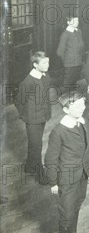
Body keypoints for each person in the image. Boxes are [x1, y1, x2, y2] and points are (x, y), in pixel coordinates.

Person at [44, 92, 89, 233]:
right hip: (66, 178)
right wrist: (53, 181)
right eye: (77, 106)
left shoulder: (83, 122)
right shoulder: (59, 131)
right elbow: (50, 159)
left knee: (77, 204)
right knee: (66, 212)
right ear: (66, 109)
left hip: (82, 173)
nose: (82, 108)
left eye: (83, 104)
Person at [15, 51, 53, 184]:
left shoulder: (45, 76)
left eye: (48, 62)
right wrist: (26, 116)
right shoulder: (28, 81)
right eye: (44, 63)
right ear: (35, 65)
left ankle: (30, 166)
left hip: (41, 116)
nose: (47, 65)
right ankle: (40, 174)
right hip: (32, 119)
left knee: (35, 144)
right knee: (36, 146)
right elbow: (19, 101)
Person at [56, 15, 85, 94]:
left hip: (78, 62)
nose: (77, 22)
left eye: (77, 20)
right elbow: (59, 52)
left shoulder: (79, 31)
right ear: (68, 23)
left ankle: (73, 99)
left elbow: (81, 46)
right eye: (74, 21)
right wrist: (67, 61)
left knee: (75, 83)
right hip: (69, 64)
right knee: (67, 84)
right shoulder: (65, 34)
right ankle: (62, 99)